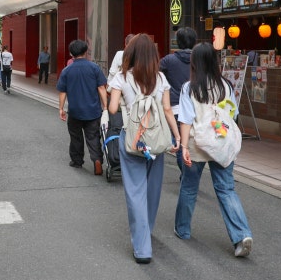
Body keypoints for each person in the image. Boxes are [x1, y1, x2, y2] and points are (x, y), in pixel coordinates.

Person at [175, 42, 253, 258]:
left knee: (189, 188)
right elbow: (233, 113)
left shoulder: (189, 88)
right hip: (220, 142)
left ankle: (183, 230)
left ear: (194, 63)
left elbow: (186, 120)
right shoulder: (226, 85)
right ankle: (241, 235)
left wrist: (183, 147)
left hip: (196, 144)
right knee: (226, 189)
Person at [107, 34, 180, 264]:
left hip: (132, 139)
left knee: (135, 191)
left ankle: (142, 248)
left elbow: (111, 108)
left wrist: (124, 102)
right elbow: (168, 110)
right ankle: (146, 230)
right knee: (153, 188)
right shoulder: (160, 78)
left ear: (131, 53)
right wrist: (177, 136)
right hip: (156, 140)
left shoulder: (121, 77)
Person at [56, 39, 108, 174]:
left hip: (75, 111)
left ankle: (77, 161)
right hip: (93, 111)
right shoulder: (94, 68)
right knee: (93, 137)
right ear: (86, 52)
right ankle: (97, 160)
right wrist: (106, 107)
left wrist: (61, 108)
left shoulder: (67, 70)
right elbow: (102, 88)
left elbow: (63, 92)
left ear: (71, 53)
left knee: (76, 137)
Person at [160, 27, 197, 170]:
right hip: (196, 106)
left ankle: (186, 172)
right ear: (194, 42)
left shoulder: (168, 60)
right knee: (195, 140)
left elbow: (157, 77)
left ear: (178, 42)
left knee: (181, 140)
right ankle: (191, 168)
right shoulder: (200, 60)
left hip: (175, 107)